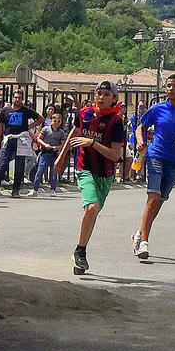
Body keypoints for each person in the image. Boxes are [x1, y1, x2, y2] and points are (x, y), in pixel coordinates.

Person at [131, 74, 175, 262]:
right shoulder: (157, 108)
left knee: (160, 200)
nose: (171, 89)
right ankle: (144, 243)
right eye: (168, 86)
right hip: (155, 156)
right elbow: (140, 127)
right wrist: (140, 142)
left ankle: (139, 233)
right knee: (153, 196)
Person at [70, 81, 126, 275]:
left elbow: (115, 155)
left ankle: (79, 258)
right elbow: (76, 132)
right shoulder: (84, 113)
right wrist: (61, 157)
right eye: (99, 93)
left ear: (114, 99)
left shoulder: (116, 122)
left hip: (105, 174)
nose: (101, 97)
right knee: (92, 206)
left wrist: (92, 143)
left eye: (106, 95)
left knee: (92, 212)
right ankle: (80, 251)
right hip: (84, 167)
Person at [0, 89, 41, 196]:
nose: (17, 99)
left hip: (21, 140)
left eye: (20, 98)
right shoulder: (5, 110)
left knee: (19, 167)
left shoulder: (26, 110)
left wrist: (29, 127)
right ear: (12, 98)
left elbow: (40, 119)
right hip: (9, 139)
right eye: (16, 97)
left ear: (22, 99)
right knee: (2, 165)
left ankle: (16, 190)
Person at [29, 111, 68, 196]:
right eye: (54, 121)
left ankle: (53, 189)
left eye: (58, 121)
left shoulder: (61, 132)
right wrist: (45, 145)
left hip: (54, 154)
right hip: (45, 153)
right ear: (51, 121)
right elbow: (39, 139)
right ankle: (35, 189)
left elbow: (62, 144)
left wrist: (57, 148)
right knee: (40, 171)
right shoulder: (45, 129)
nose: (56, 123)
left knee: (53, 173)